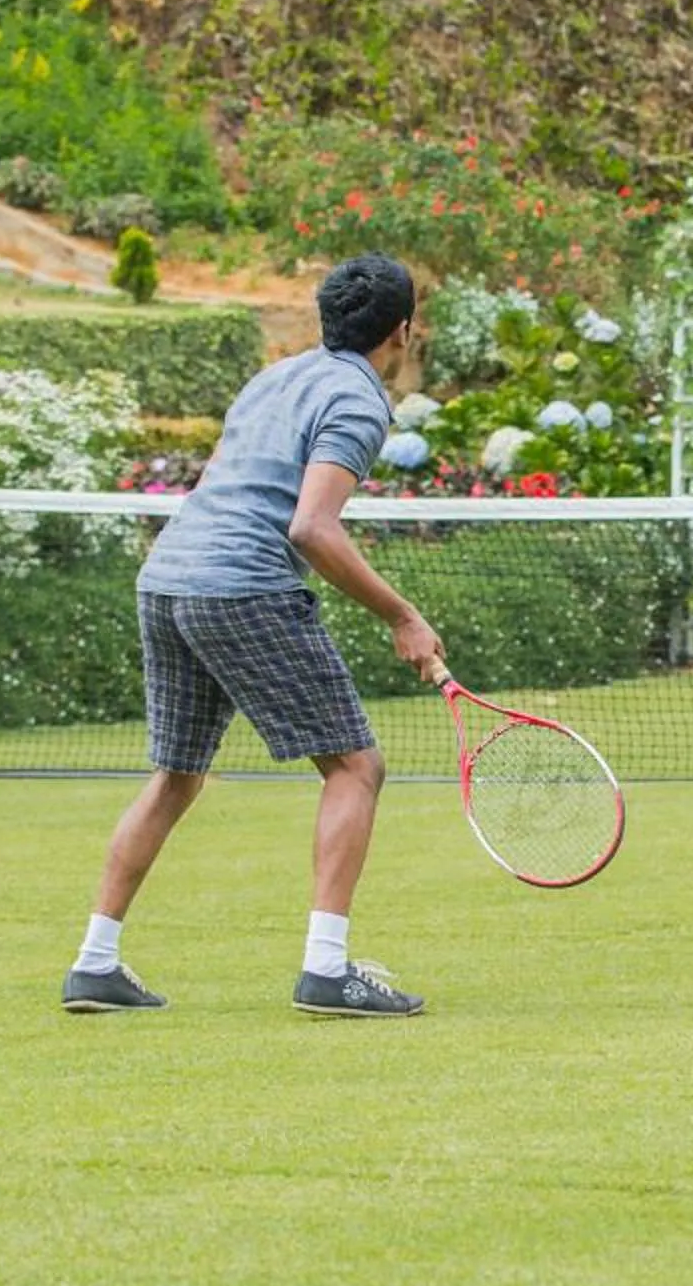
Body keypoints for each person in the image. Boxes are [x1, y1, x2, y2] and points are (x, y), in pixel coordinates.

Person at [60, 252, 446, 1017]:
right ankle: (328, 970)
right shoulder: (358, 399)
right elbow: (311, 528)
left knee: (176, 774)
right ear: (402, 331)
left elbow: (221, 486)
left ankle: (94, 963)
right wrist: (403, 616)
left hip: (168, 578)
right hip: (240, 586)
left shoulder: (274, 378)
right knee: (355, 768)